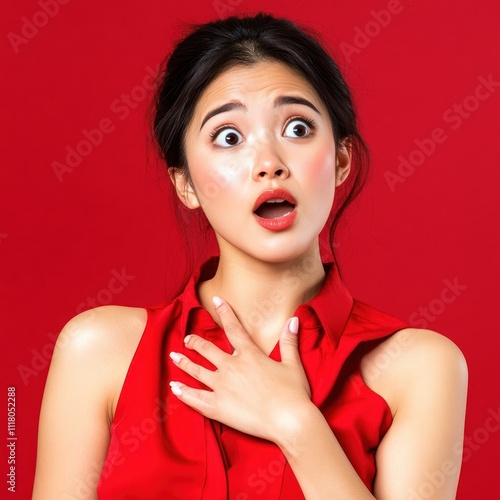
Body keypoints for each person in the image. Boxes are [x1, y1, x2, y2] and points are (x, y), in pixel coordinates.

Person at [32, 12, 468, 500]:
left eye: (298, 128)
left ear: (342, 159)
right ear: (187, 185)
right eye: (229, 137)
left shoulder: (418, 367)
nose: (269, 165)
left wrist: (296, 424)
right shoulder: (101, 351)